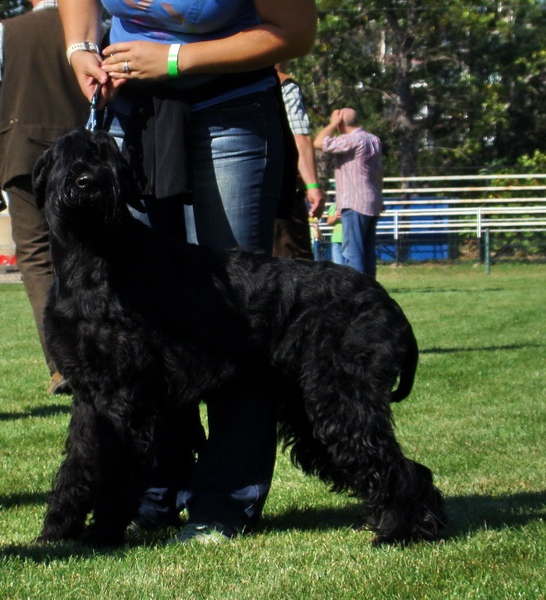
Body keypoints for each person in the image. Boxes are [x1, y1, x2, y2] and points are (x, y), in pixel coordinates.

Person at [60, 0, 317, 543]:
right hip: (135, 111)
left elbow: (295, 32)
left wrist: (176, 60)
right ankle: (153, 494)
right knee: (140, 330)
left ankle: (224, 503)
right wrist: (80, 48)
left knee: (237, 320)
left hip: (232, 107)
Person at [0, 0, 90, 393]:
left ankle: (63, 365)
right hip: (82, 158)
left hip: (23, 157)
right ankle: (97, 354)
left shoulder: (8, 31)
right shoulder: (97, 24)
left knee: (38, 260)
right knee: (84, 258)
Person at [314, 108, 383, 277]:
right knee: (367, 252)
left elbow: (318, 142)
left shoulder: (352, 140)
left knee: (352, 252)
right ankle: (371, 292)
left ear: (341, 124)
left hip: (355, 202)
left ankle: (358, 294)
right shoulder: (373, 139)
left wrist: (332, 124)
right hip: (372, 201)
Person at [274, 63, 325, 259]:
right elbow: (300, 137)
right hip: (282, 187)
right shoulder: (285, 85)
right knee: (295, 263)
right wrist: (312, 185)